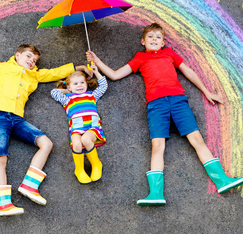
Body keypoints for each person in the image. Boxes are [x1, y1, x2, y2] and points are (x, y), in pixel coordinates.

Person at [86, 23, 243, 206]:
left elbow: (188, 71)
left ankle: (222, 180)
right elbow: (114, 75)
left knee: (197, 140)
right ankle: (155, 193)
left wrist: (206, 91)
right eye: (150, 37)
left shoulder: (169, 54)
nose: (154, 40)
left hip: (178, 101)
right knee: (157, 145)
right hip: (156, 105)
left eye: (158, 37)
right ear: (143, 41)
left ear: (163, 42)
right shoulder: (139, 58)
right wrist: (96, 61)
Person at [0, 43, 91, 216]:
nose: (32, 61)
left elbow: (55, 72)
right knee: (0, 158)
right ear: (17, 55)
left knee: (46, 143)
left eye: (35, 60)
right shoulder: (5, 67)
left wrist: (80, 67)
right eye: (28, 56)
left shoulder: (35, 75)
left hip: (16, 119)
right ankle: (5, 204)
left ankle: (29, 186)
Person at [51, 64, 108, 184]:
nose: (80, 86)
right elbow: (54, 92)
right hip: (76, 128)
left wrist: (97, 72)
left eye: (82, 82)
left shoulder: (91, 95)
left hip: (92, 127)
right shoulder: (67, 99)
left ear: (86, 84)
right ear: (70, 87)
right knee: (76, 144)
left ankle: (96, 164)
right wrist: (68, 90)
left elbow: (103, 86)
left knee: (86, 140)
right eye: (75, 84)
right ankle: (79, 169)